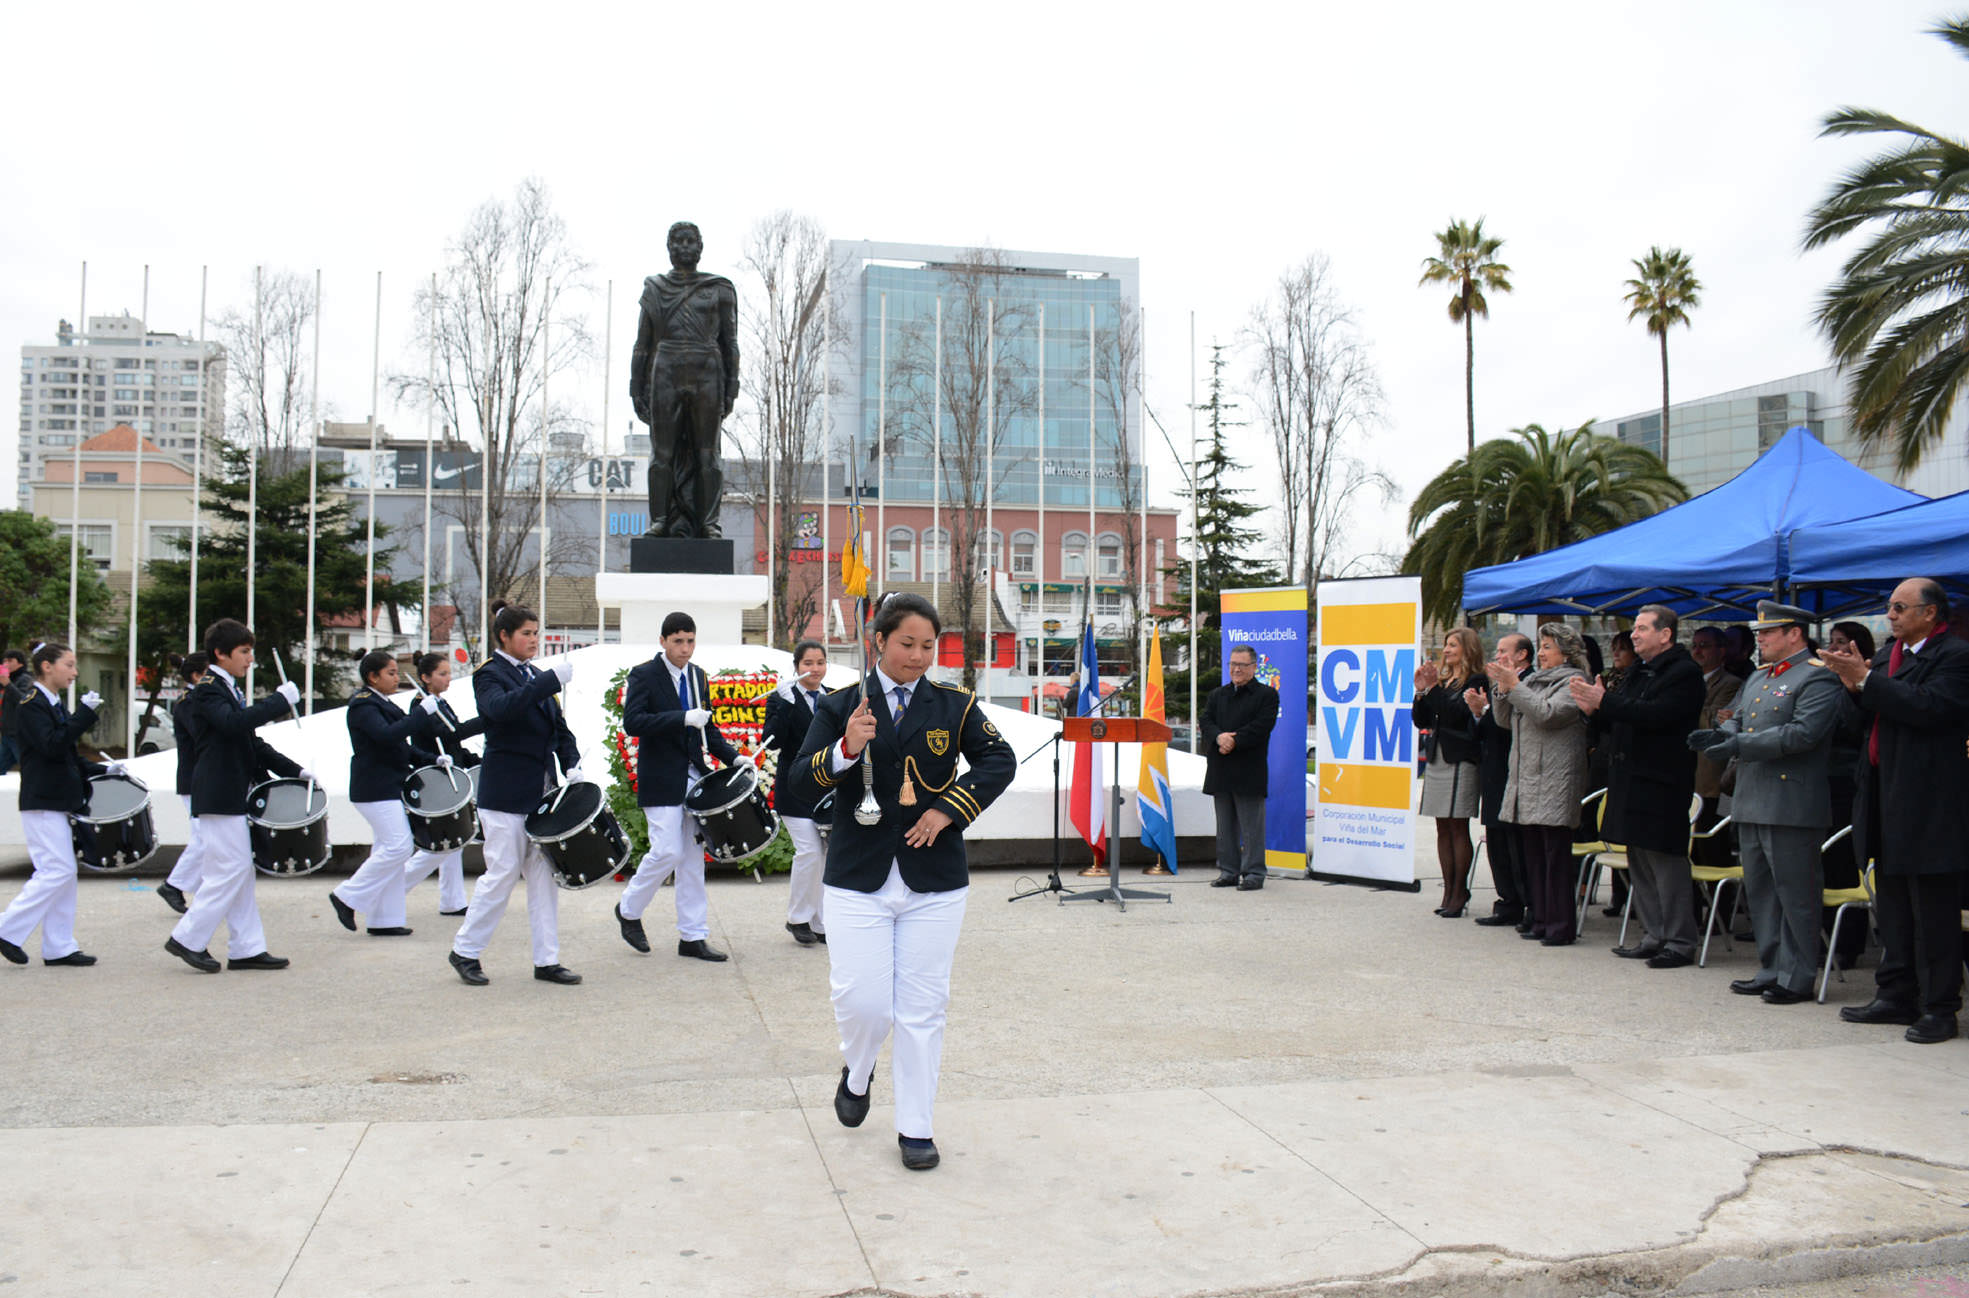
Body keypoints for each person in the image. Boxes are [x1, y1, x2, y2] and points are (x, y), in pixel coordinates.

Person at [785, 592, 1015, 1171]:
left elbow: (999, 759)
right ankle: (857, 1072)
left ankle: (916, 1126)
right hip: (857, 877)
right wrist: (845, 749)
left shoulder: (954, 706)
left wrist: (949, 810)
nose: (918, 657)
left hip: (934, 879)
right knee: (864, 1004)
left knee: (922, 1007)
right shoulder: (841, 706)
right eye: (907, 644)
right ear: (879, 642)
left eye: (928, 646)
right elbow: (797, 784)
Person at [1822, 579, 1969, 1044]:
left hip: (1928, 803)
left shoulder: (1955, 656)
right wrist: (1851, 685)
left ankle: (1940, 1006)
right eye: (1889, 607)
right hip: (1882, 796)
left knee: (1934, 912)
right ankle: (1895, 993)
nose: (1891, 615)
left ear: (1930, 613)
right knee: (1893, 906)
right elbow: (1861, 721)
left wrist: (1866, 680)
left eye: (1900, 608)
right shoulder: (1887, 656)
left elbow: (1929, 708)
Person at [1688, 601, 1843, 1003]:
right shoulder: (1759, 676)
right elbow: (1737, 715)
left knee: (1796, 894)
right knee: (1761, 892)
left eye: (1768, 633)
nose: (1760, 639)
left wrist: (1736, 742)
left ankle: (1797, 975)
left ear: (1795, 634)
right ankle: (1771, 966)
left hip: (1792, 802)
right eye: (1758, 633)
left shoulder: (1817, 677)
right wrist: (1723, 732)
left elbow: (1802, 735)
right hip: (1753, 797)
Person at [448, 601, 584, 987]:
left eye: (535, 633)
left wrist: (570, 762)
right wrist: (546, 682)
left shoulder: (538, 675)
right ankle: (465, 951)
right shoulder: (489, 675)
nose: (533, 640)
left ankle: (547, 959)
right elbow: (500, 710)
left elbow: (560, 729)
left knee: (543, 877)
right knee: (503, 873)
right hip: (505, 793)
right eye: (525, 633)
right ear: (504, 636)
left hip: (541, 792)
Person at [164, 619, 307, 973]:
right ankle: (187, 938)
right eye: (244, 652)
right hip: (217, 791)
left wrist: (296, 771)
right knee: (231, 869)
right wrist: (278, 702)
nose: (250, 660)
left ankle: (246, 947)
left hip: (228, 791)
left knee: (239, 872)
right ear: (220, 654)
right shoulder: (209, 688)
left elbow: (250, 741)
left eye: (250, 652)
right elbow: (233, 724)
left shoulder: (226, 688)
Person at [1571, 605, 1706, 967]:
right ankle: (1653, 933)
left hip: (1662, 781)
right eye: (1635, 629)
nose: (1634, 635)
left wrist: (1607, 703)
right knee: (1639, 861)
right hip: (1630, 778)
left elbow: (1658, 716)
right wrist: (1595, 710)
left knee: (1666, 864)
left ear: (1666, 634)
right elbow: (1620, 717)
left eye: (1643, 628)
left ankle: (1679, 940)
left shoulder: (1684, 672)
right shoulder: (1638, 671)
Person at [614, 611, 744, 961]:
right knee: (667, 851)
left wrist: (734, 758)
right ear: (663, 641)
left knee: (691, 859)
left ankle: (693, 936)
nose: (685, 649)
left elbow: (709, 730)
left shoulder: (699, 676)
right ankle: (628, 909)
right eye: (678, 642)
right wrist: (681, 718)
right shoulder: (644, 674)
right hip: (660, 777)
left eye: (690, 641)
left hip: (694, 778)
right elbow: (633, 722)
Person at [0, 643, 112, 967]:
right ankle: (7, 929)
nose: (75, 672)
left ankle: (58, 945)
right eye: (69, 665)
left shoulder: (53, 704)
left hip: (55, 800)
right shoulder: (31, 704)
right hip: (42, 801)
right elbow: (52, 746)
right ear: (47, 666)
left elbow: (69, 756)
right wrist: (84, 716)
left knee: (64, 873)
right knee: (57, 870)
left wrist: (106, 770)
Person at [630, 221, 740, 539]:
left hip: (708, 371)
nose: (683, 246)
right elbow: (642, 344)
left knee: (708, 454)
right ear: (669, 248)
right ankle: (660, 519)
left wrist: (731, 386)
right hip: (665, 371)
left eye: (689, 240)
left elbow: (730, 342)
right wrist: (635, 388)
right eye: (676, 241)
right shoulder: (654, 288)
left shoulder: (719, 288)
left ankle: (708, 523)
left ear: (700, 247)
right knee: (661, 454)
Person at [1487, 623, 1592, 946]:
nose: (1542, 653)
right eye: (1541, 646)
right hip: (1528, 777)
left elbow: (1548, 714)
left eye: (1547, 647)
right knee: (1533, 854)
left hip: (1556, 778)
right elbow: (1504, 720)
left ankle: (1560, 925)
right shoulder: (1531, 681)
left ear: (1566, 651)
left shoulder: (1574, 681)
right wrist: (1503, 689)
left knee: (1555, 856)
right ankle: (1541, 919)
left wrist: (1514, 686)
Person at [330, 650, 445, 939]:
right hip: (374, 787)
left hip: (389, 785)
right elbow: (386, 736)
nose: (396, 678)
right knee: (399, 847)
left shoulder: (382, 703)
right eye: (391, 673)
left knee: (387, 849)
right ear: (373, 677)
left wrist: (432, 760)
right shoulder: (362, 705)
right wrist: (421, 714)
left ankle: (384, 918)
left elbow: (401, 748)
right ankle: (347, 895)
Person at [402, 651, 484, 917]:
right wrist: (489, 719)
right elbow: (449, 733)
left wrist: (475, 759)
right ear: (425, 677)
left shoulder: (439, 702)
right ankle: (392, 888)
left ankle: (452, 900)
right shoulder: (421, 706)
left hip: (450, 775)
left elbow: (453, 743)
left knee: (454, 842)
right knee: (444, 841)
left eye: (449, 673)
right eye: (442, 673)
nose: (448, 678)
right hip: (435, 779)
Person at [764, 638, 831, 945]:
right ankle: (797, 918)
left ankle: (819, 921)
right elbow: (773, 741)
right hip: (794, 788)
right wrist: (787, 704)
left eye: (819, 663)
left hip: (826, 790)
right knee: (809, 852)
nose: (814, 669)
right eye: (808, 663)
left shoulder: (831, 698)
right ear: (796, 667)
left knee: (825, 856)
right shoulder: (782, 698)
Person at [1412, 628, 1482, 917]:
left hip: (1461, 759)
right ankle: (1448, 889)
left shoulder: (1475, 680)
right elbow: (1423, 720)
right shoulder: (1444, 682)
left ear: (1468, 649)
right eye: (1446, 644)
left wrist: (1433, 689)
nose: (1447, 649)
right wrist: (1420, 692)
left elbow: (1455, 714)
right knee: (1442, 826)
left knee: (1457, 826)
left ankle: (1459, 890)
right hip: (1439, 757)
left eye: (1453, 644)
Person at [1465, 633, 1532, 928]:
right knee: (1497, 843)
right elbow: (1485, 732)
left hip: (1515, 772)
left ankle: (1527, 903)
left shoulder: (1528, 682)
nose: (1499, 655)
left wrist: (1493, 709)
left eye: (1505, 651)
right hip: (1493, 772)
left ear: (1522, 655)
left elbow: (1517, 726)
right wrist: (1480, 713)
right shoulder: (1497, 685)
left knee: (1516, 845)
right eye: (1498, 650)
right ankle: (1507, 901)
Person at [1202, 644, 1281, 891]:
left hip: (1249, 768)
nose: (1236, 669)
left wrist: (1234, 740)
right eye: (1232, 664)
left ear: (1254, 667)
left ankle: (1254, 873)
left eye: (1242, 665)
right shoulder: (1218, 694)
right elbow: (1206, 720)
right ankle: (1228, 871)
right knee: (1225, 827)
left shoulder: (1267, 695)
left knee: (1251, 826)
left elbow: (1263, 726)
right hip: (1221, 767)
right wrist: (1219, 737)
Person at [1821, 621, 1876, 969]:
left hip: (1847, 782)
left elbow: (1850, 727)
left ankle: (1849, 945)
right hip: (1820, 784)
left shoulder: (1866, 682)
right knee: (1822, 867)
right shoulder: (1823, 679)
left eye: (1843, 643)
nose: (1836, 649)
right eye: (1833, 642)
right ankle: (1826, 937)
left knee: (1843, 865)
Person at [156, 653, 209, 914]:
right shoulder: (189, 702)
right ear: (197, 676)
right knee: (203, 837)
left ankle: (203, 892)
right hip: (193, 778)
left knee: (207, 837)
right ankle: (173, 885)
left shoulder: (197, 700)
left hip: (201, 777)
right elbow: (203, 736)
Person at [1687, 627, 1743, 870]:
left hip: (1711, 780)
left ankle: (1720, 907)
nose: (1698, 651)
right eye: (1695, 645)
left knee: (1712, 852)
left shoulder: (1731, 683)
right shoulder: (1689, 680)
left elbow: (1715, 725)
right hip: (1688, 776)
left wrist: (1682, 705)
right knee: (1690, 853)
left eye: (1705, 645)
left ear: (1722, 650)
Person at [0, 647, 30, 776]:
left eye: (10, 660)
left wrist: (8, 684)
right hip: (7, 734)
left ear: (20, 662)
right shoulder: (8, 680)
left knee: (28, 768)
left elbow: (23, 701)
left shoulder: (25, 679)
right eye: (4, 661)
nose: (6, 664)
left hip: (18, 735)